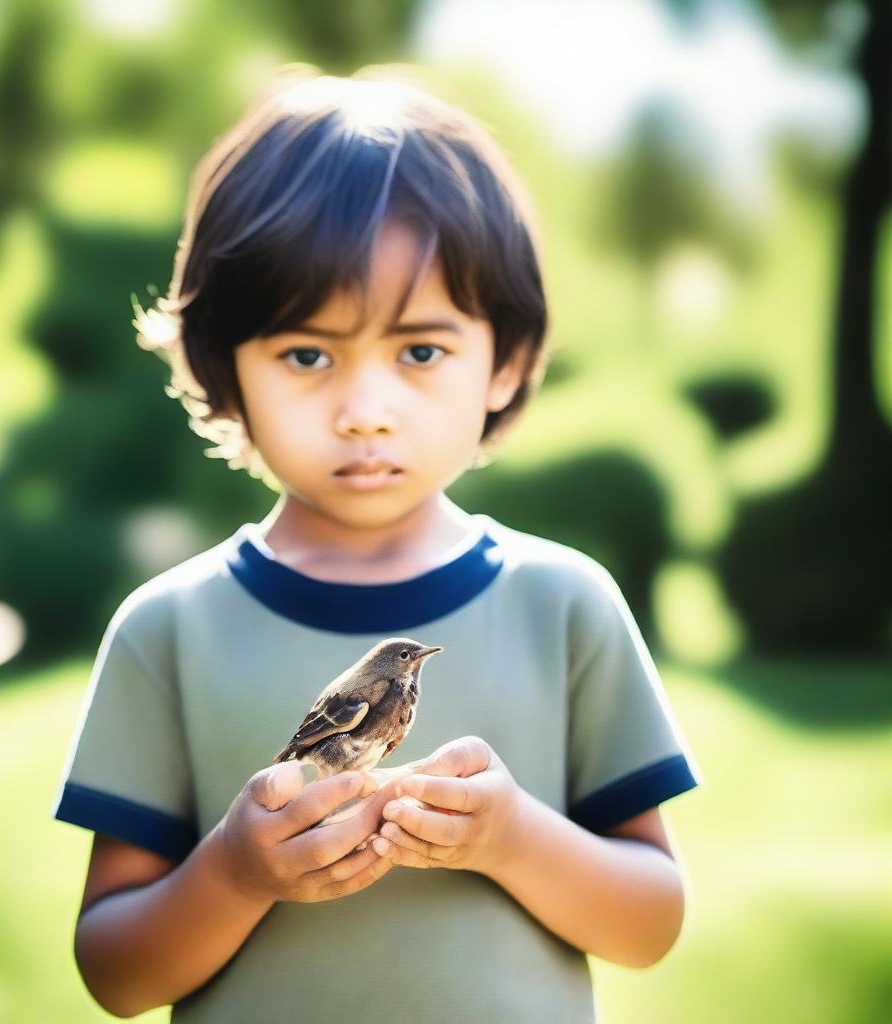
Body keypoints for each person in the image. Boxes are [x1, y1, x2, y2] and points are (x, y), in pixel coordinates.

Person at [51, 63, 703, 1022]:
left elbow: (649, 925)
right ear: (223, 373)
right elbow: (116, 974)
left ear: (506, 363)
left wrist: (513, 837)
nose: (364, 411)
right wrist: (234, 870)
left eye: (420, 351)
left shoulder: (567, 604)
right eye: (307, 354)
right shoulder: (167, 629)